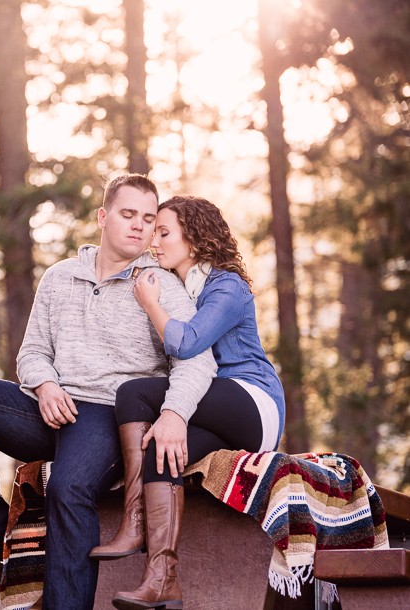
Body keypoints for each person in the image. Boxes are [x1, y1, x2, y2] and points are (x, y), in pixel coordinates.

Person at [0, 175, 217, 609]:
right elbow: (31, 352)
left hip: (110, 415)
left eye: (147, 218)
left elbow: (197, 359)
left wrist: (174, 413)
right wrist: (44, 385)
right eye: (127, 215)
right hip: (50, 410)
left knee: (67, 487)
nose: (139, 226)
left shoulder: (161, 284)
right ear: (103, 217)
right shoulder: (60, 277)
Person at [89, 195, 286, 610]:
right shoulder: (181, 286)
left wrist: (150, 304)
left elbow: (186, 341)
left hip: (252, 402)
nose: (153, 241)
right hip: (212, 408)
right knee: (161, 450)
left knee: (134, 392)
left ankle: (134, 519)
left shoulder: (225, 285)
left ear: (194, 240)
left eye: (163, 232)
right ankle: (162, 581)